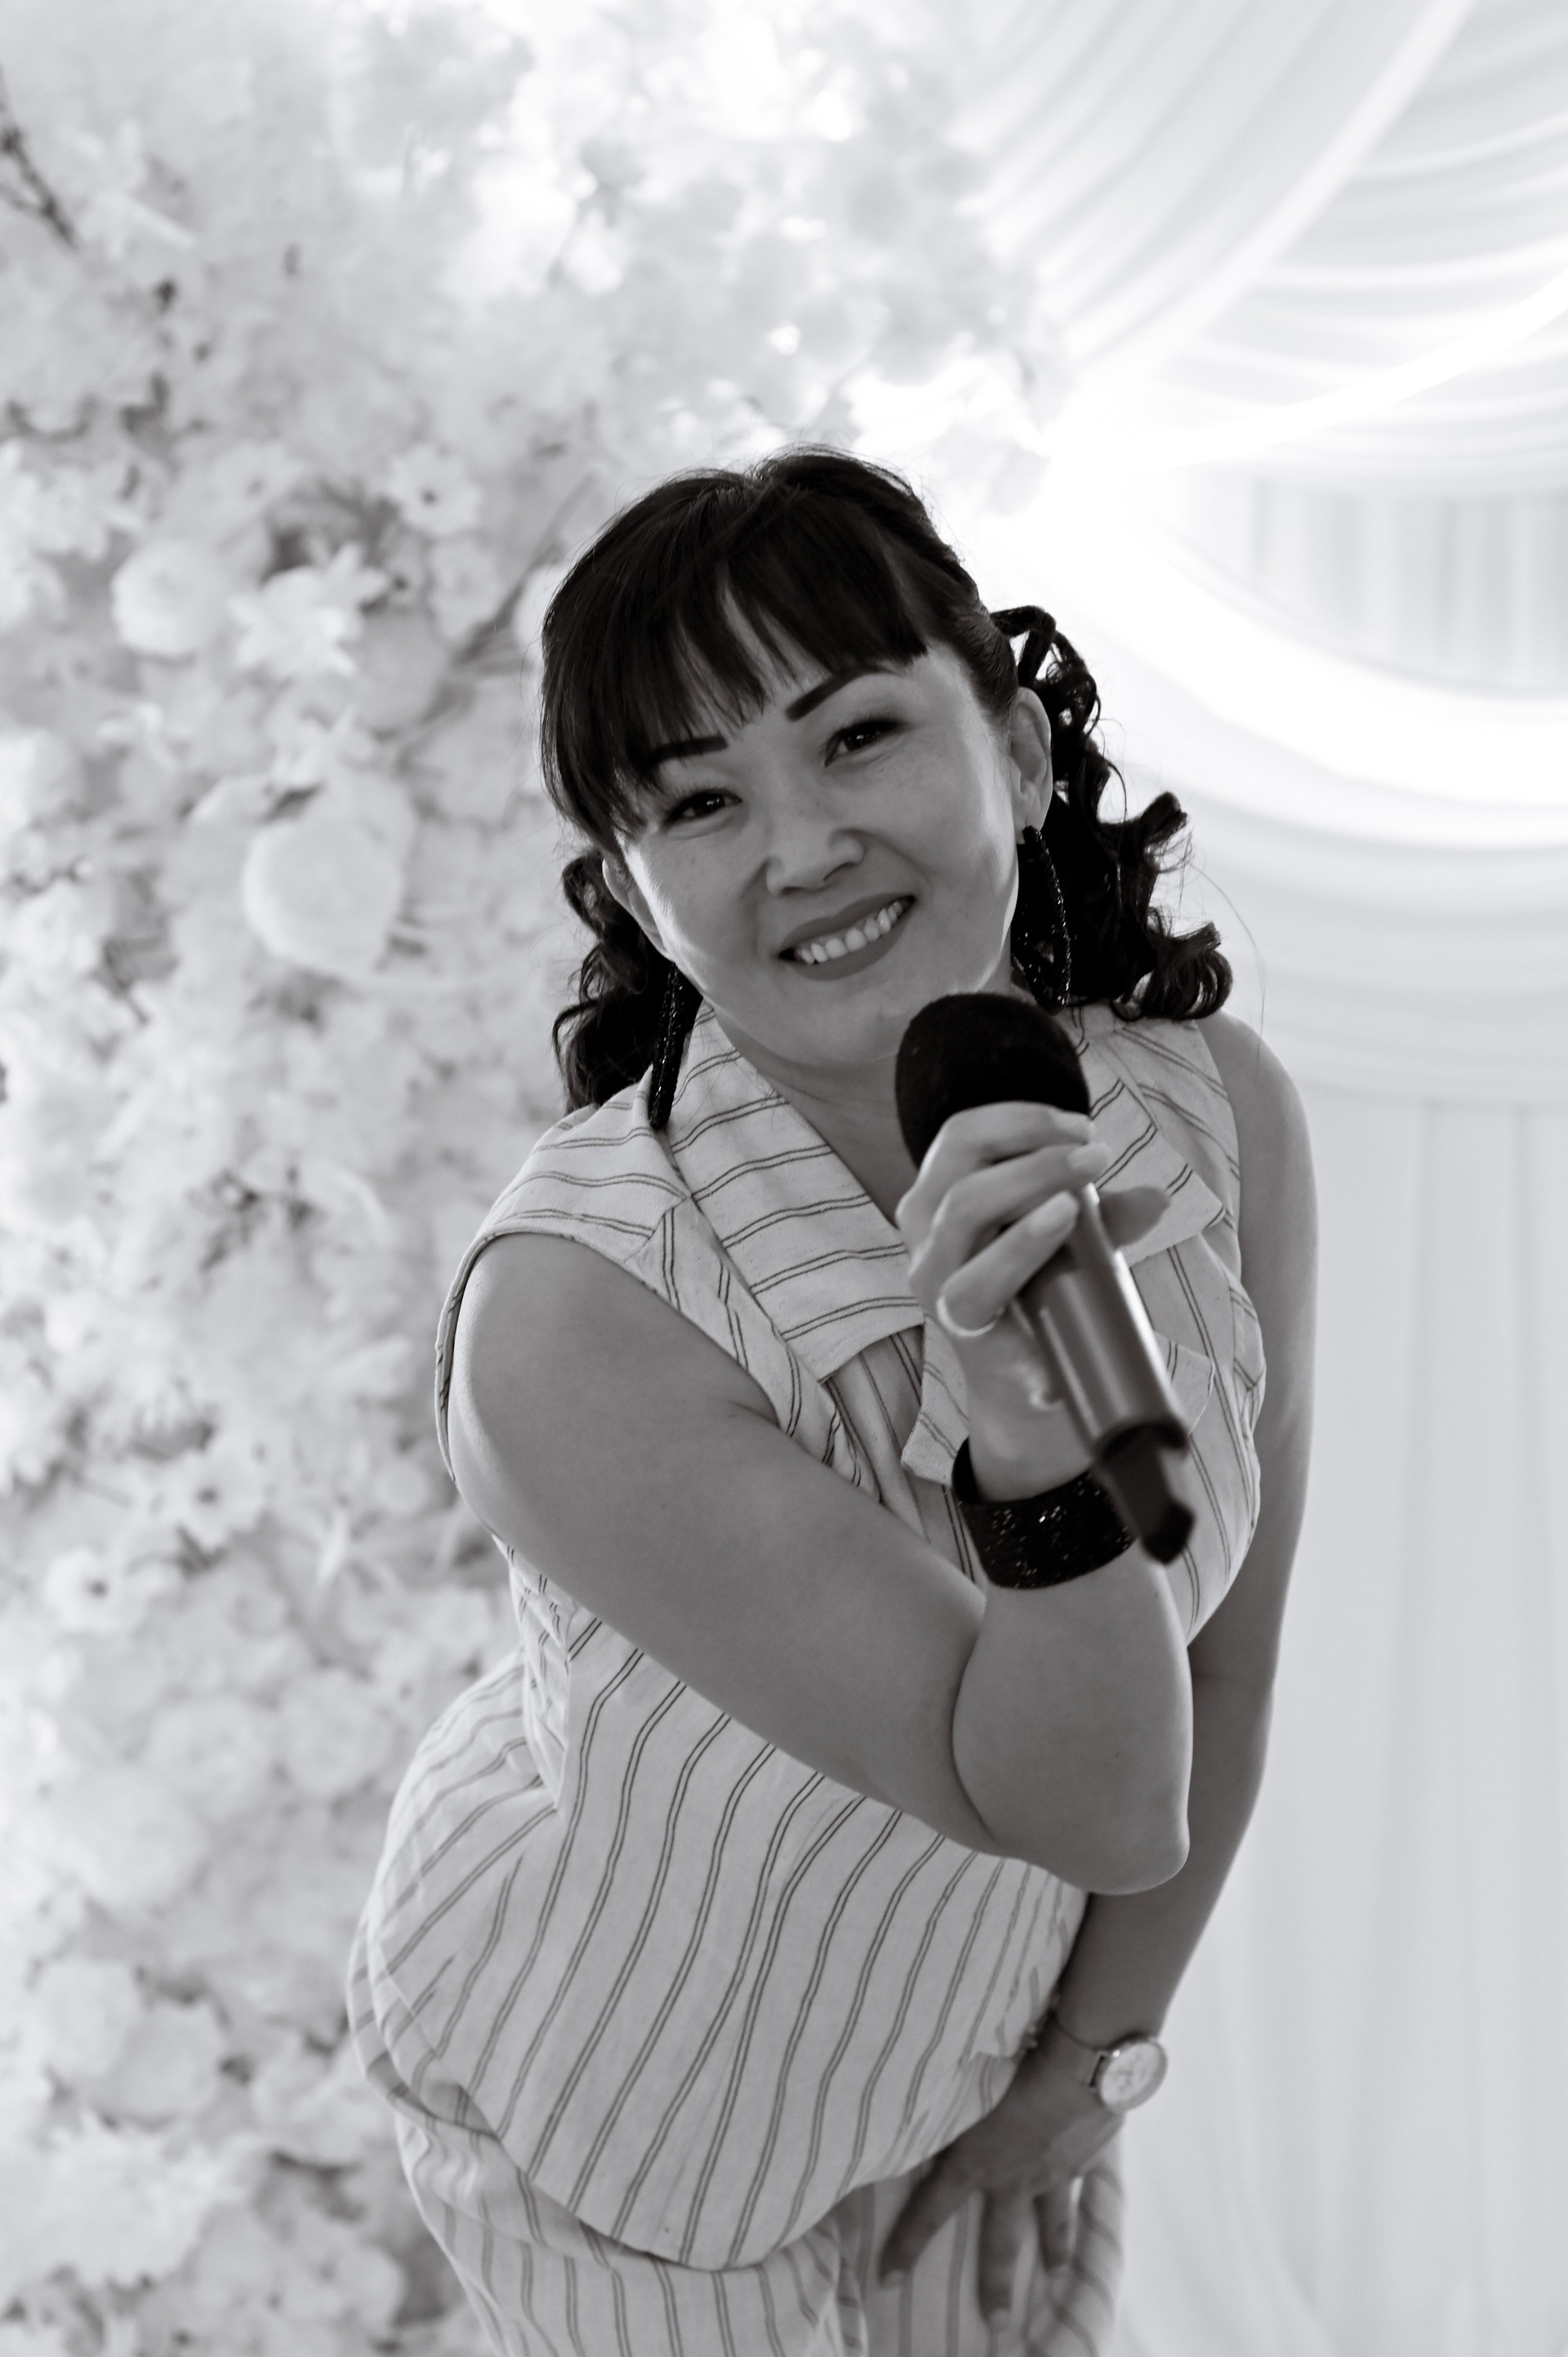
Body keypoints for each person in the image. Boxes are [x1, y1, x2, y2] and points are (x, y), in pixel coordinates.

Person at [350, 448, 1317, 2356]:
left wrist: (1087, 2070)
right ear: (638, 894)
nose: (800, 850)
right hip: (629, 2126)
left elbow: (1223, 1667)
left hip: (979, 2056)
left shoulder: (1209, 1112)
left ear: (1015, 752)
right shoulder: (572, 1318)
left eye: (857, 736)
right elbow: (1092, 1798)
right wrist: (1020, 1416)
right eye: (700, 801)